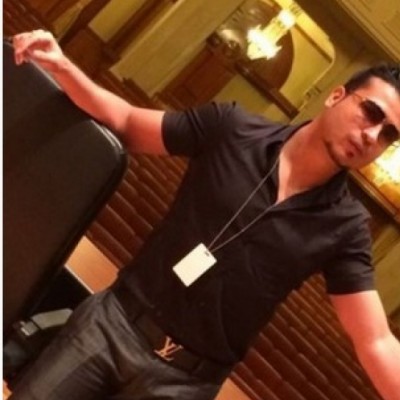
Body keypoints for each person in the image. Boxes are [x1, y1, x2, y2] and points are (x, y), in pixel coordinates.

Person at [10, 29, 400, 400]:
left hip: (183, 385)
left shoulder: (346, 227)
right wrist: (62, 65)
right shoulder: (232, 128)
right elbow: (127, 121)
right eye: (370, 112)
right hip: (110, 328)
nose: (372, 136)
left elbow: (376, 340)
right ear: (336, 96)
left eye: (388, 135)